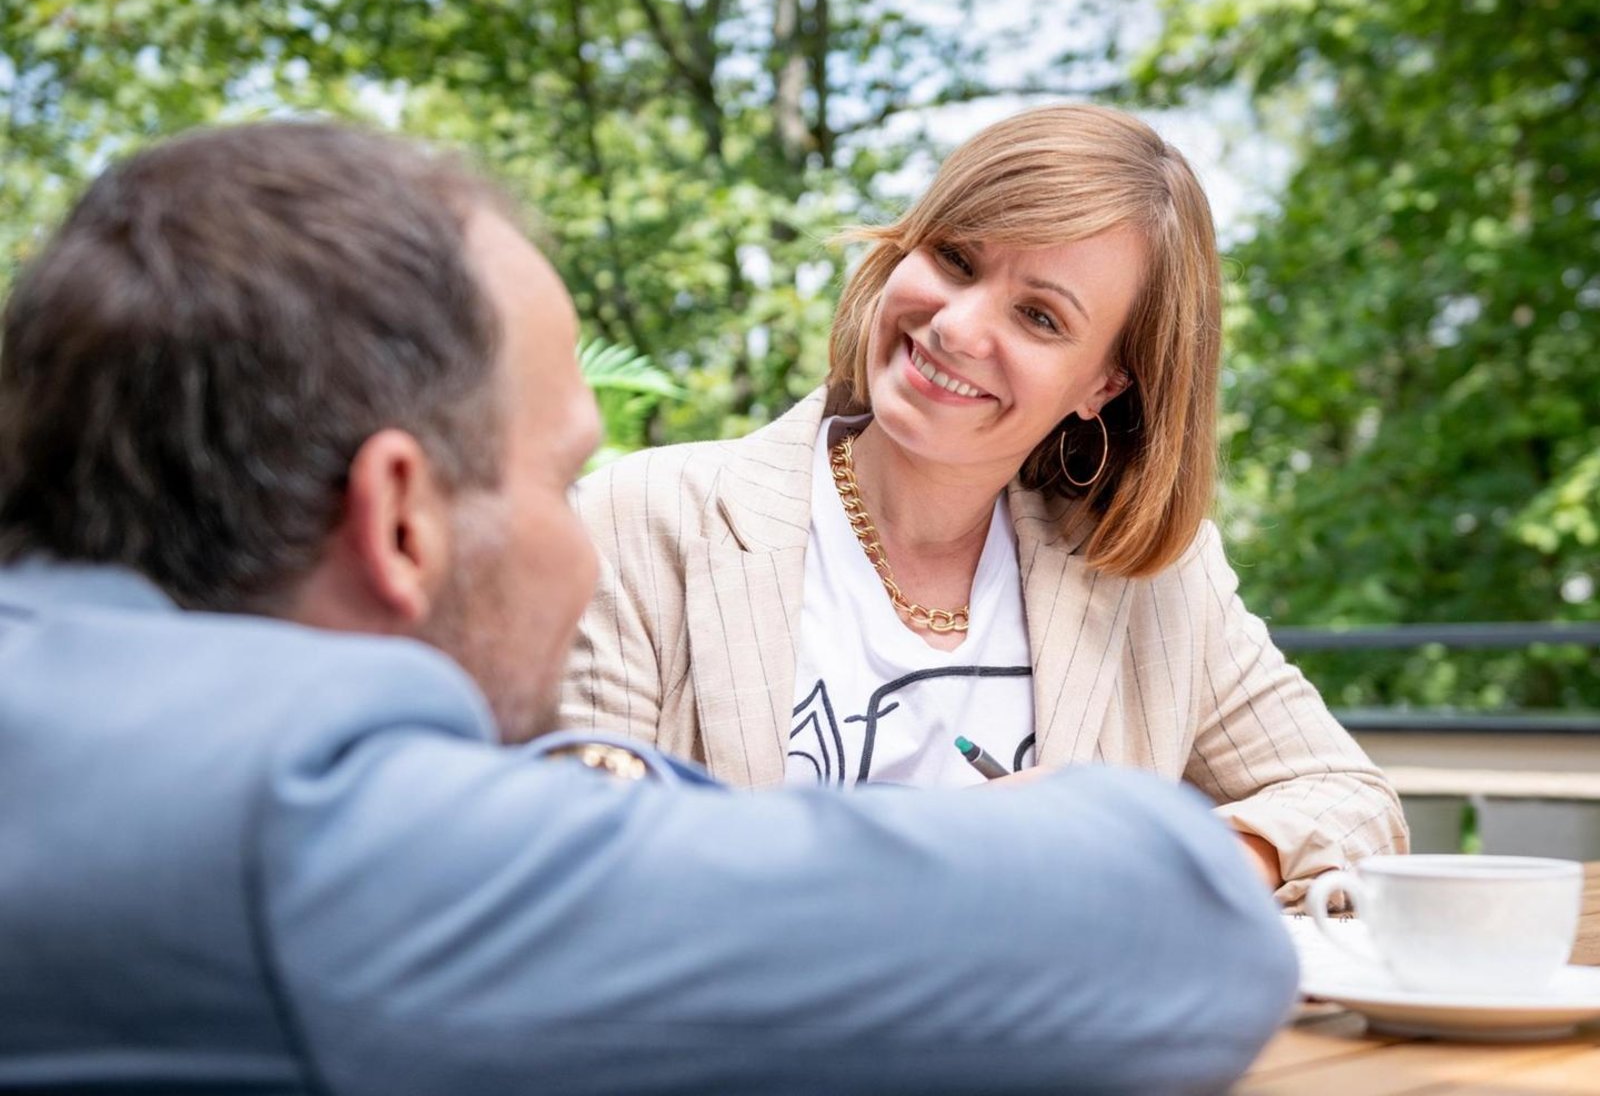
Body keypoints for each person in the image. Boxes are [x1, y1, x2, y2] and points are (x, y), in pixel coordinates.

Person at [0, 120, 1297, 1095]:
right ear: (400, 518)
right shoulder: (305, 842)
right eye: (564, 478)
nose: (588, 540)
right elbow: (1169, 921)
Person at [562, 103, 1408, 904]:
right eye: (956, 260)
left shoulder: (1150, 581)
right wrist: (931, 845)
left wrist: (1155, 854)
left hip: (1053, 1055)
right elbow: (579, 857)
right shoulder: (645, 518)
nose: (958, 328)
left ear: (1105, 383)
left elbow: (1353, 805)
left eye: (1039, 317)